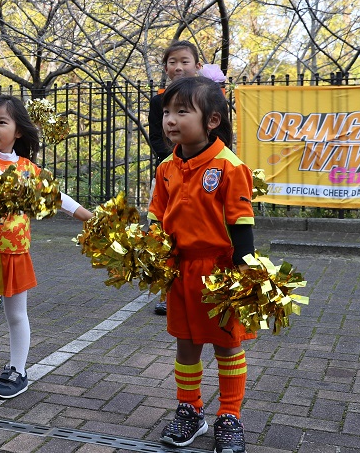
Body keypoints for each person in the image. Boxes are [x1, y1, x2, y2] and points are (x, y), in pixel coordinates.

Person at [0, 95, 93, 399]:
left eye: (1, 122)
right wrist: (20, 183)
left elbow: (55, 197)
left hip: (15, 253)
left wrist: (87, 216)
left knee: (16, 315)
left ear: (18, 131)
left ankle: (18, 370)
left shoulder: (29, 168)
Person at [148, 76, 255, 453]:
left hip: (221, 271)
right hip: (181, 270)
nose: (170, 120)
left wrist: (245, 272)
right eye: (166, 113)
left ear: (211, 120)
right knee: (186, 343)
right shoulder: (166, 167)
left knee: (227, 346)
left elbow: (242, 221)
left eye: (182, 111)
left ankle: (230, 415)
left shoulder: (229, 165)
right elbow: (157, 217)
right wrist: (150, 253)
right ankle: (190, 411)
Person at [147, 40, 201, 315]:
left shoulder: (209, 95)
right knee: (163, 230)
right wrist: (169, 159)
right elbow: (156, 134)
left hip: (203, 173)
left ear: (198, 66)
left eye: (184, 61)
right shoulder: (158, 99)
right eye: (172, 62)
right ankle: (166, 292)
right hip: (171, 170)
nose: (178, 67)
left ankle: (207, 287)